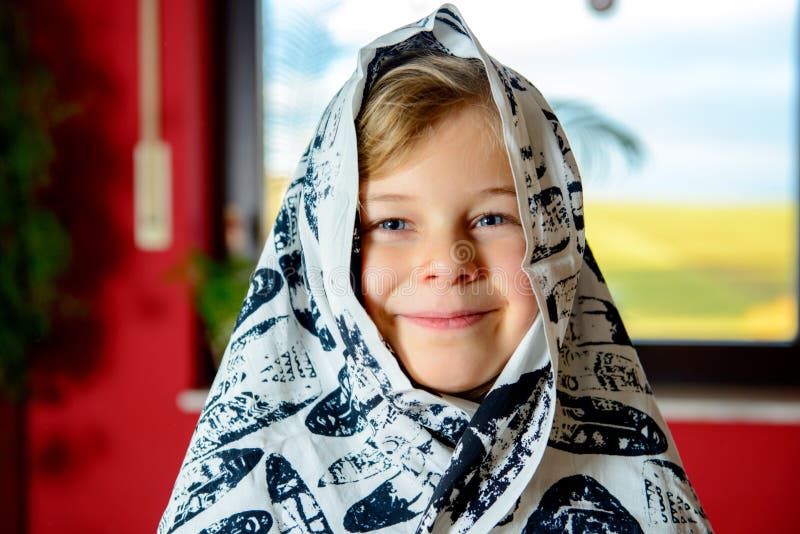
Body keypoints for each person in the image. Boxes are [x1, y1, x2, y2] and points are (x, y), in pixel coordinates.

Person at [159, 4, 711, 533]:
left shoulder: (638, 499)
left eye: (494, 217)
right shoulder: (247, 498)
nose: (449, 265)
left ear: (553, 244)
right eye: (394, 224)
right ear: (329, 260)